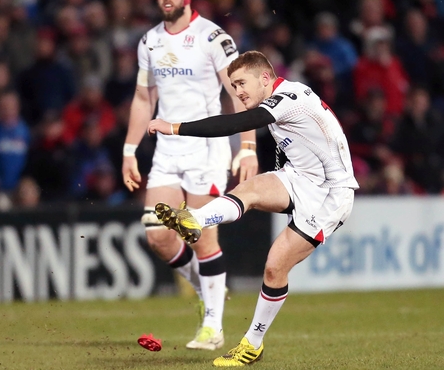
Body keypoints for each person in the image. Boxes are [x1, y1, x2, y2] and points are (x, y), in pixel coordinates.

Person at [148, 50, 359, 366]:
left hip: (330, 194)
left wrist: (175, 127)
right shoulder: (281, 101)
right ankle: (193, 219)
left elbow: (239, 122)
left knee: (275, 268)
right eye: (233, 85)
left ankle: (252, 344)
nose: (238, 91)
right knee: (249, 189)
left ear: (265, 78)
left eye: (242, 83)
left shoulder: (289, 96)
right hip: (300, 178)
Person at [125, 0, 259, 350]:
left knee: (199, 235)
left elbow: (239, 92)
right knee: (159, 236)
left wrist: (247, 147)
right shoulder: (149, 41)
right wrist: (129, 150)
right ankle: (209, 293)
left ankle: (213, 327)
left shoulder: (213, 37)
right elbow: (142, 97)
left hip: (206, 148)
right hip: (167, 150)